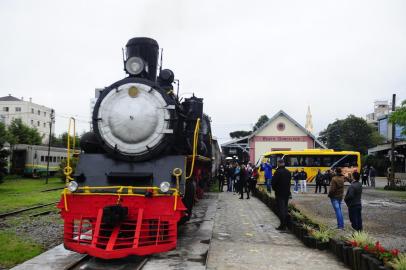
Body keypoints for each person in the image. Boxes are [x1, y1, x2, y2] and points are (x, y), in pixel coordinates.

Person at [272, 159, 292, 231]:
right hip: (286, 193)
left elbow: (273, 183)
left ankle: (283, 225)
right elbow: (289, 183)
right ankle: (286, 224)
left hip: (279, 193)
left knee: (280, 209)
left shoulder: (277, 172)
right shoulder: (288, 172)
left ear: (279, 164)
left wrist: (275, 189)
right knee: (285, 208)